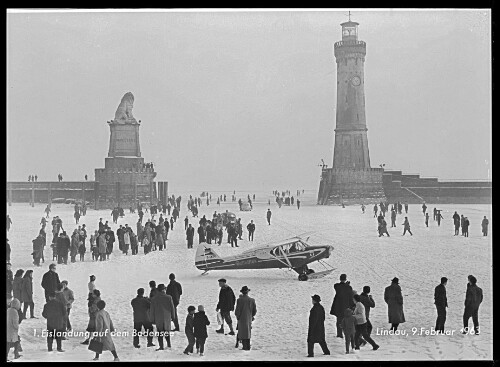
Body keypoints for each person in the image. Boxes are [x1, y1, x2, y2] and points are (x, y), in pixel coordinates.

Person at [149, 284, 175, 350]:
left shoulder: (154, 299)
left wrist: (152, 319)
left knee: (160, 332)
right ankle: (169, 344)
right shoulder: (169, 297)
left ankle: (161, 346)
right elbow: (172, 308)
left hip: (158, 318)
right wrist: (173, 316)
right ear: (164, 290)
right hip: (167, 317)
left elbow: (152, 310)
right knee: (167, 332)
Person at [330, 273, 354, 338]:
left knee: (339, 321)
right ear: (345, 279)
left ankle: (339, 334)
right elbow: (350, 297)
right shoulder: (349, 288)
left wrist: (345, 284)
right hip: (346, 307)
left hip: (338, 307)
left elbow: (338, 287)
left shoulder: (337, 286)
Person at [235, 285, 257, 351]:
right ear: (247, 292)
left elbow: (237, 311)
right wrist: (251, 316)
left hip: (241, 318)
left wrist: (238, 317)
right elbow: (254, 311)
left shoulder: (239, 300)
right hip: (249, 318)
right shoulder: (252, 300)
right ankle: (248, 346)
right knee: (248, 332)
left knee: (242, 332)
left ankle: (245, 347)